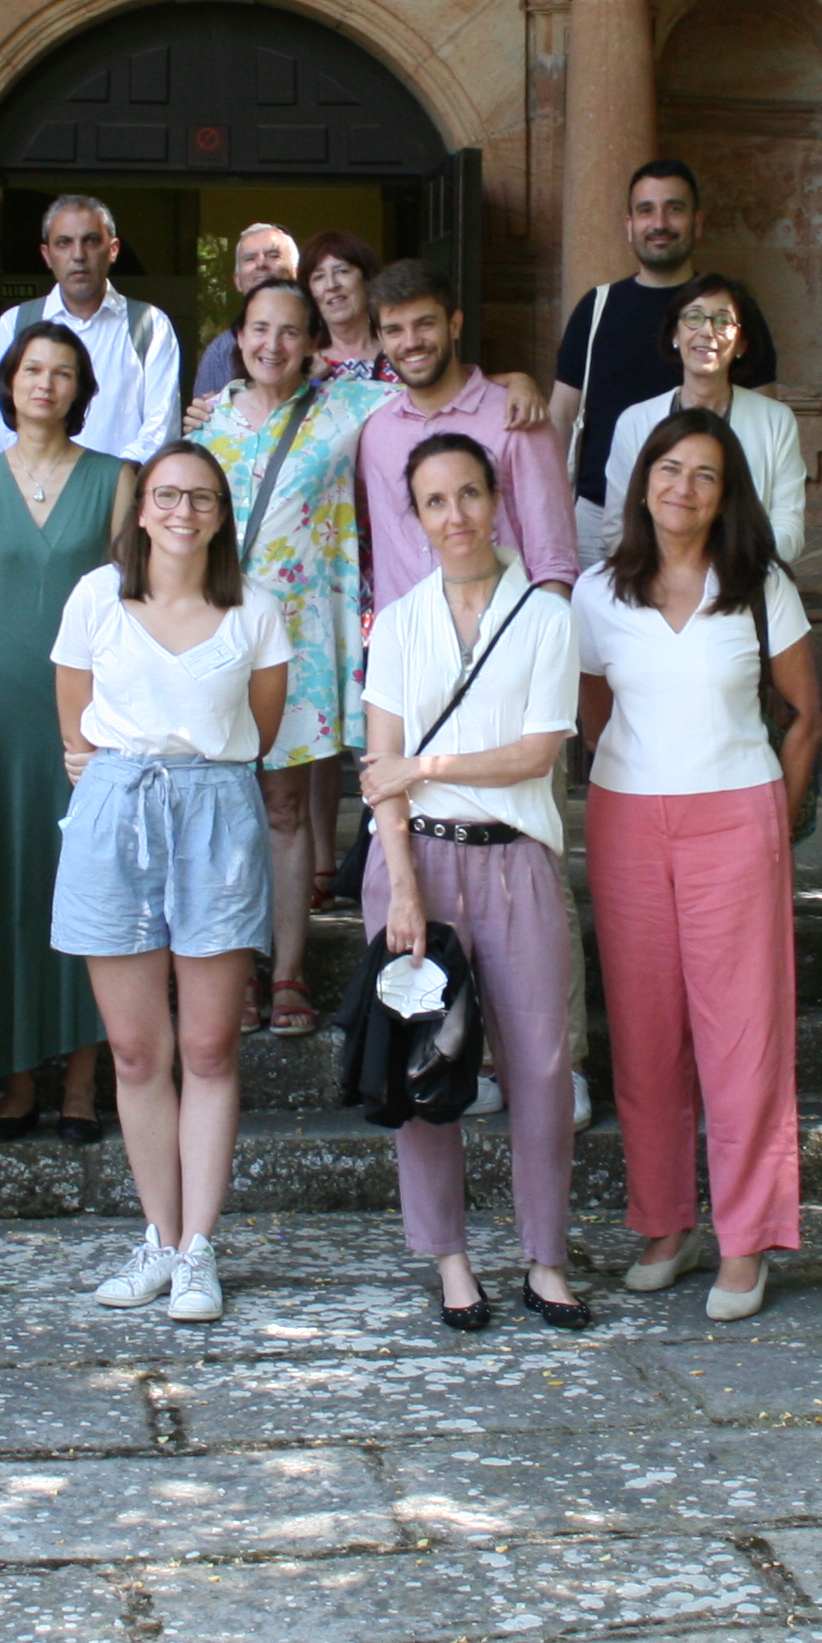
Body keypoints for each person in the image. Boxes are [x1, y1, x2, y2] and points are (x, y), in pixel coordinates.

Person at [574, 408, 820, 1323]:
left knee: (743, 1033)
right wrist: (640, 773)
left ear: (727, 495)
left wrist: (774, 812)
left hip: (736, 815)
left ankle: (748, 1239)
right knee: (644, 1030)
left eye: (705, 474)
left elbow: (804, 714)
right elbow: (596, 708)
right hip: (628, 815)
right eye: (669, 469)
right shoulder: (599, 592)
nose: (683, 487)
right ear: (643, 481)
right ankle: (666, 1223)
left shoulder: (759, 585)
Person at [51, 441, 291, 1324]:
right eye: (166, 495)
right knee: (137, 1050)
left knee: (210, 1048)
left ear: (222, 515)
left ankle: (199, 1248)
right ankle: (157, 1235)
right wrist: (101, 769)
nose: (183, 511)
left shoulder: (254, 610)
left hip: (217, 811)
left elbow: (258, 731)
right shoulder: (95, 599)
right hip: (117, 806)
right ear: (142, 509)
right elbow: (72, 716)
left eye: (202, 498)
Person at [362, 432, 588, 1331]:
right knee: (426, 1066)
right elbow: (380, 770)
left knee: (539, 1064)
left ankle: (546, 1258)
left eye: (468, 495)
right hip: (417, 861)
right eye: (434, 502)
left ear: (496, 500)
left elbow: (538, 751)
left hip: (517, 857)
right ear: (415, 518)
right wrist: (405, 889)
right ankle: (451, 1260)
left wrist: (427, 763)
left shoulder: (545, 617)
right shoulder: (402, 619)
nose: (455, 516)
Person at [0, 323, 123, 1141]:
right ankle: (13, 1084)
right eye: (31, 370)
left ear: (82, 389)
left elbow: (129, 612)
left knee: (84, 893)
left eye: (63, 372)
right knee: (2, 893)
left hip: (84, 720)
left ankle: (81, 1083)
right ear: (7, 383)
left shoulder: (120, 481)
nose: (45, 383)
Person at [199, 280, 399, 1035]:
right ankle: (234, 965)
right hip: (216, 644)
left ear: (313, 342)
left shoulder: (349, 410)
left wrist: (508, 385)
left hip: (302, 646)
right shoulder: (207, 423)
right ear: (238, 339)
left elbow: (432, 401)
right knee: (222, 812)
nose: (272, 345)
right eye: (258, 329)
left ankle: (285, 971)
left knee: (285, 811)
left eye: (289, 331)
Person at [551, 159, 780, 567]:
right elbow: (562, 415)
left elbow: (761, 424)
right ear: (629, 224)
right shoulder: (597, 309)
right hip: (600, 524)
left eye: (674, 208)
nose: (659, 222)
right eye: (646, 210)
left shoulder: (730, 313)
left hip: (706, 522)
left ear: (697, 222)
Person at [356, 260, 576, 608]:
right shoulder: (374, 431)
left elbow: (553, 560)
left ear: (454, 324)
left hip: (502, 637)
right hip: (405, 646)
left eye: (424, 324)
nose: (411, 342)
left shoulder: (516, 419)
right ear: (381, 339)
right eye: (395, 330)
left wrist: (544, 646)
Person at [597, 273, 807, 562]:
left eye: (723, 321)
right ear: (675, 334)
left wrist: (728, 572)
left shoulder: (776, 421)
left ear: (742, 345)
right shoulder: (635, 422)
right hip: (653, 588)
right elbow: (619, 528)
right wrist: (671, 579)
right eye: (694, 318)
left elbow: (788, 528)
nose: (707, 331)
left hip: (746, 584)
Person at [0, 194, 182, 462]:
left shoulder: (150, 325)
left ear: (113, 249)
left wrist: (110, 481)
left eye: (90, 240)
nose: (78, 255)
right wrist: (45, 480)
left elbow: (162, 428)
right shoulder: (16, 324)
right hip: (36, 495)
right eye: (64, 243)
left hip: (123, 493)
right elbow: (0, 426)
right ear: (47, 255)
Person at [189, 224, 302, 398]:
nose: (261, 264)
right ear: (237, 281)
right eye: (250, 258)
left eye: (273, 255)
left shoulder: (327, 340)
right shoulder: (220, 352)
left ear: (297, 273)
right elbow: (204, 420)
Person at [304, 230, 393, 383]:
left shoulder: (399, 351)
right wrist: (306, 383)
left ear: (367, 279)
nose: (331, 285)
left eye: (342, 271)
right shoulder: (303, 363)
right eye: (318, 277)